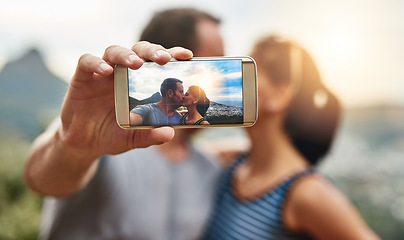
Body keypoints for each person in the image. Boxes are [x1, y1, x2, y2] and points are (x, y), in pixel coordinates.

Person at [25, 8, 226, 240]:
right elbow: (41, 180)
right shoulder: (100, 134)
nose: (219, 79)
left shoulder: (210, 168)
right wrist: (74, 147)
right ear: (175, 65)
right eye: (215, 64)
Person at [202, 36, 380, 239]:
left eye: (247, 71)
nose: (229, 79)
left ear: (280, 95)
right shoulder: (232, 160)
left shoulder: (307, 193)